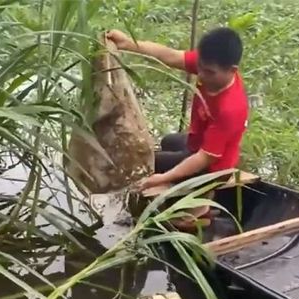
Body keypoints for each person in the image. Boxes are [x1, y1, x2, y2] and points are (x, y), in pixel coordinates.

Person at [106, 27, 249, 229]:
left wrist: (162, 178)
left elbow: (204, 158)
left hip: (213, 167)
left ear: (232, 70)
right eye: (199, 67)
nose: (201, 75)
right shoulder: (208, 67)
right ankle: (189, 198)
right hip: (198, 145)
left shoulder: (231, 108)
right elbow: (170, 56)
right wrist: (128, 43)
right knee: (169, 141)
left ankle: (198, 212)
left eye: (209, 72)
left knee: (151, 163)